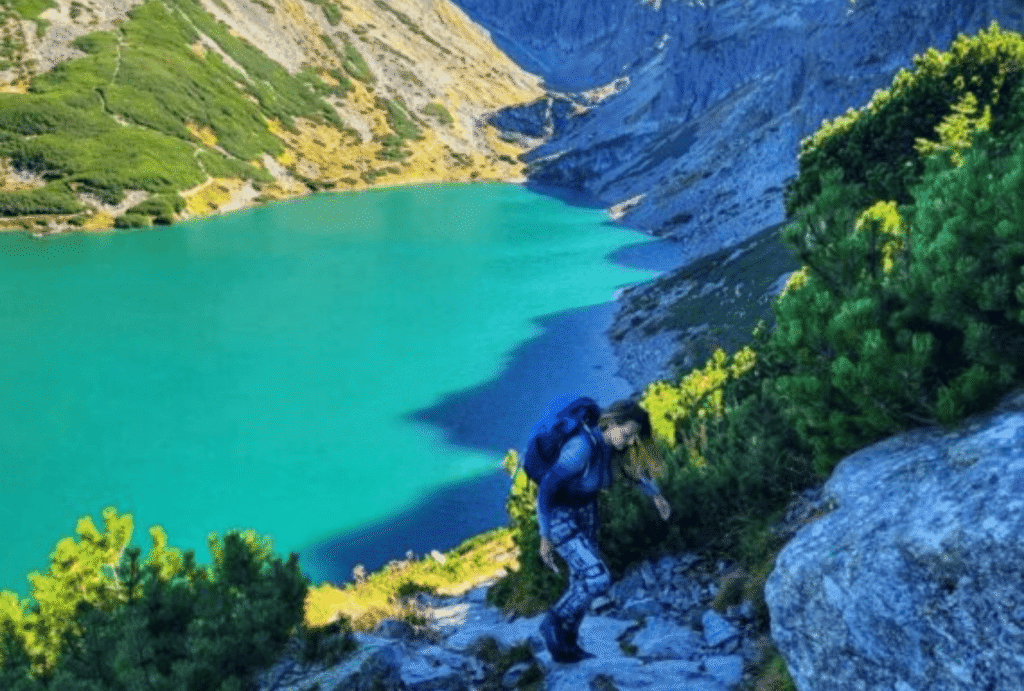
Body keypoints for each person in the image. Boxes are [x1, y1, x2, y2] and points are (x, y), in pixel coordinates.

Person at [537, 398, 672, 663]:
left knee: (580, 581)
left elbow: (634, 475)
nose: (631, 441)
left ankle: (567, 645)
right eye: (628, 434)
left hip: (587, 514)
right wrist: (545, 536)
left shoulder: (613, 450)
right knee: (596, 579)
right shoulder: (581, 448)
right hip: (561, 517)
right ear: (611, 423)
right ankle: (552, 621)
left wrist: (657, 497)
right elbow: (547, 489)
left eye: (634, 437)